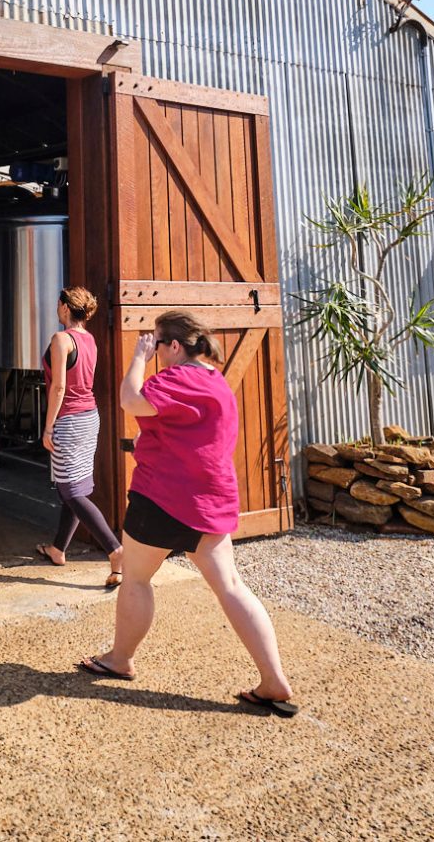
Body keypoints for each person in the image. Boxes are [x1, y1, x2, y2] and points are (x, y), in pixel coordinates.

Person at [78, 309, 298, 717]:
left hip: (160, 498)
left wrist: (137, 358)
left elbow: (131, 401)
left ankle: (120, 658)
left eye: (158, 343)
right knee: (231, 587)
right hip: (209, 503)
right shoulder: (217, 383)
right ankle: (273, 679)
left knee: (137, 579)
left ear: (174, 346)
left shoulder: (174, 378)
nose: (155, 350)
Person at [34, 286, 123, 586]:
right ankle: (58, 549)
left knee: (70, 490)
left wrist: (48, 427)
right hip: (89, 417)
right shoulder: (89, 339)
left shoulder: (62, 339)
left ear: (63, 307)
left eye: (58, 304)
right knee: (73, 488)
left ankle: (115, 550)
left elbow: (58, 387)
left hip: (69, 419)